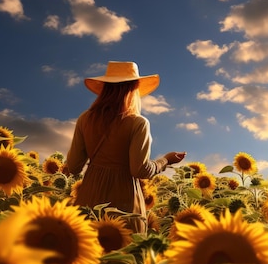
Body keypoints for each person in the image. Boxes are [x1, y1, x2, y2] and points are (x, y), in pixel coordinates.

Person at [65, 61, 186, 233]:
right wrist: (165, 160)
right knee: (125, 253)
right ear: (133, 89)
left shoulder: (85, 119)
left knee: (88, 253)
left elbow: (74, 166)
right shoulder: (138, 123)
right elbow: (140, 170)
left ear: (105, 88)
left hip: (89, 196)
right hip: (125, 200)